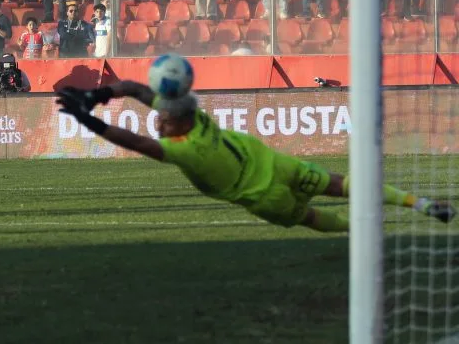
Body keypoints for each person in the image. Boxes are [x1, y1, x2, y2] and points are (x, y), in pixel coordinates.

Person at [55, 58, 456, 233]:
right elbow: (134, 89)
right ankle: (417, 203)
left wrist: (87, 115)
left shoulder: (182, 149)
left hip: (264, 195)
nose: (155, 120)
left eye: (161, 117)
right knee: (340, 183)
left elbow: (133, 140)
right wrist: (100, 94)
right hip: (275, 163)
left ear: (174, 119)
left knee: (313, 220)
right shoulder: (196, 118)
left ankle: (367, 233)